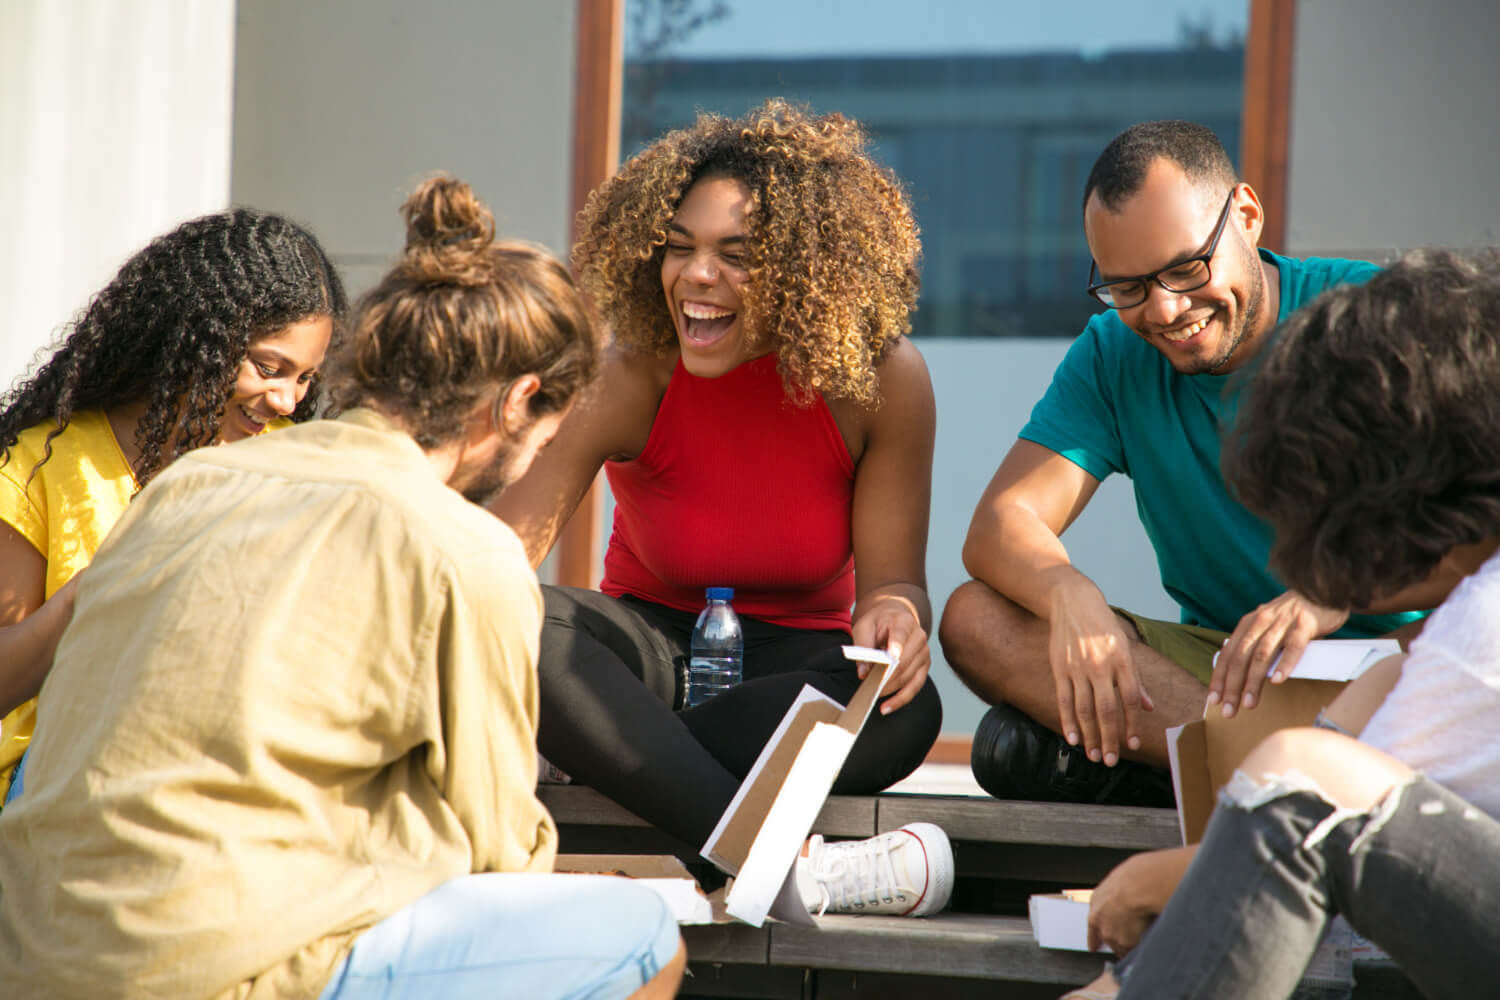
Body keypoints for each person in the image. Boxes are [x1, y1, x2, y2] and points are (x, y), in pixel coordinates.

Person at [0, 176, 685, 999]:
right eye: (549, 432)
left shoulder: (188, 484)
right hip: (214, 966)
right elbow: (497, 850)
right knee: (644, 934)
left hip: (37, 946)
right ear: (518, 402)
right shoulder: (466, 549)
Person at [491, 99, 953, 915]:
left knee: (903, 713)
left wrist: (900, 620)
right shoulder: (629, 374)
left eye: (737, 256)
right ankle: (785, 874)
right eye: (680, 249)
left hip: (790, 668)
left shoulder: (883, 382)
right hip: (648, 652)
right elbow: (489, 567)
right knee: (532, 628)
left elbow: (893, 587)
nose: (698, 276)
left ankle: (608, 752)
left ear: (814, 273)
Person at [939, 120, 1439, 807]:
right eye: (1128, 288)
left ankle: (1218, 767)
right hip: (1226, 668)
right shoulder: (1114, 350)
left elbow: (1477, 535)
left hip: (1393, 657)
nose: (1166, 311)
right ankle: (1281, 773)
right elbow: (1001, 524)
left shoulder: (1370, 317)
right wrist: (1068, 593)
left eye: (1184, 269)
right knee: (978, 620)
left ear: (1247, 215)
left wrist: (1336, 591)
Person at [1067, 249, 1500, 998]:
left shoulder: (1481, 628)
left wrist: (1150, 878)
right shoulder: (1456, 623)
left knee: (1301, 776)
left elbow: (1307, 815)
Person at [0, 208, 346, 801]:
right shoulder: (41, 465)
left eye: (306, 378)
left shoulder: (294, 468)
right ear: (197, 337)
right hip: (54, 787)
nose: (288, 400)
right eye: (269, 367)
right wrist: (99, 593)